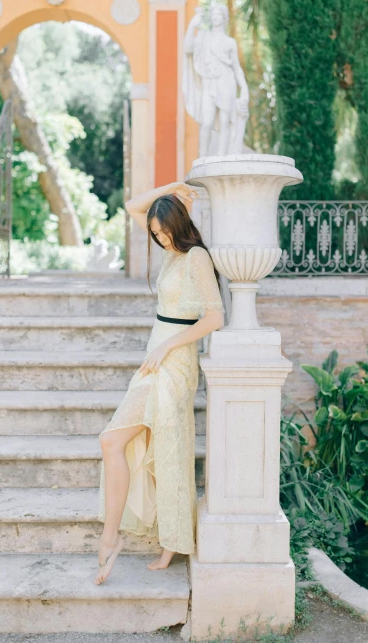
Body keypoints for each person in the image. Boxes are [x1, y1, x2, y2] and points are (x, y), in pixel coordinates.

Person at [95, 181, 225, 585]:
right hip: (156, 358)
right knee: (129, 443)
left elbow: (214, 318)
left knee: (115, 440)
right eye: (155, 234)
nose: (159, 238)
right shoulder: (170, 253)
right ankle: (125, 538)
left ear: (180, 225)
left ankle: (115, 538)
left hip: (175, 360)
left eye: (165, 232)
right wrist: (171, 188)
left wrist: (169, 344)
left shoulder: (196, 257)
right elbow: (134, 206)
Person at [183, 3, 249, 157]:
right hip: (209, 82)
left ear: (224, 18)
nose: (215, 16)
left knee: (225, 121)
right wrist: (192, 26)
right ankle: (203, 158)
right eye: (213, 13)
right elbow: (187, 48)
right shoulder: (203, 37)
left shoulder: (229, 42)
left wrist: (244, 88)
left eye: (218, 13)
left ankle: (221, 157)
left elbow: (237, 68)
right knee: (206, 122)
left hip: (226, 82)